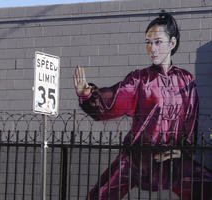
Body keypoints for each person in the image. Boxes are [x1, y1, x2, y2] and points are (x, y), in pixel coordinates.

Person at [73, 12, 212, 199]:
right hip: (138, 160)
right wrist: (88, 95)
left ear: (172, 43)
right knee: (101, 194)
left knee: (205, 184)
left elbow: (190, 120)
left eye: (157, 42)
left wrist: (183, 151)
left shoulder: (186, 80)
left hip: (174, 162)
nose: (152, 48)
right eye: (148, 42)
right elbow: (112, 101)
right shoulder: (139, 79)